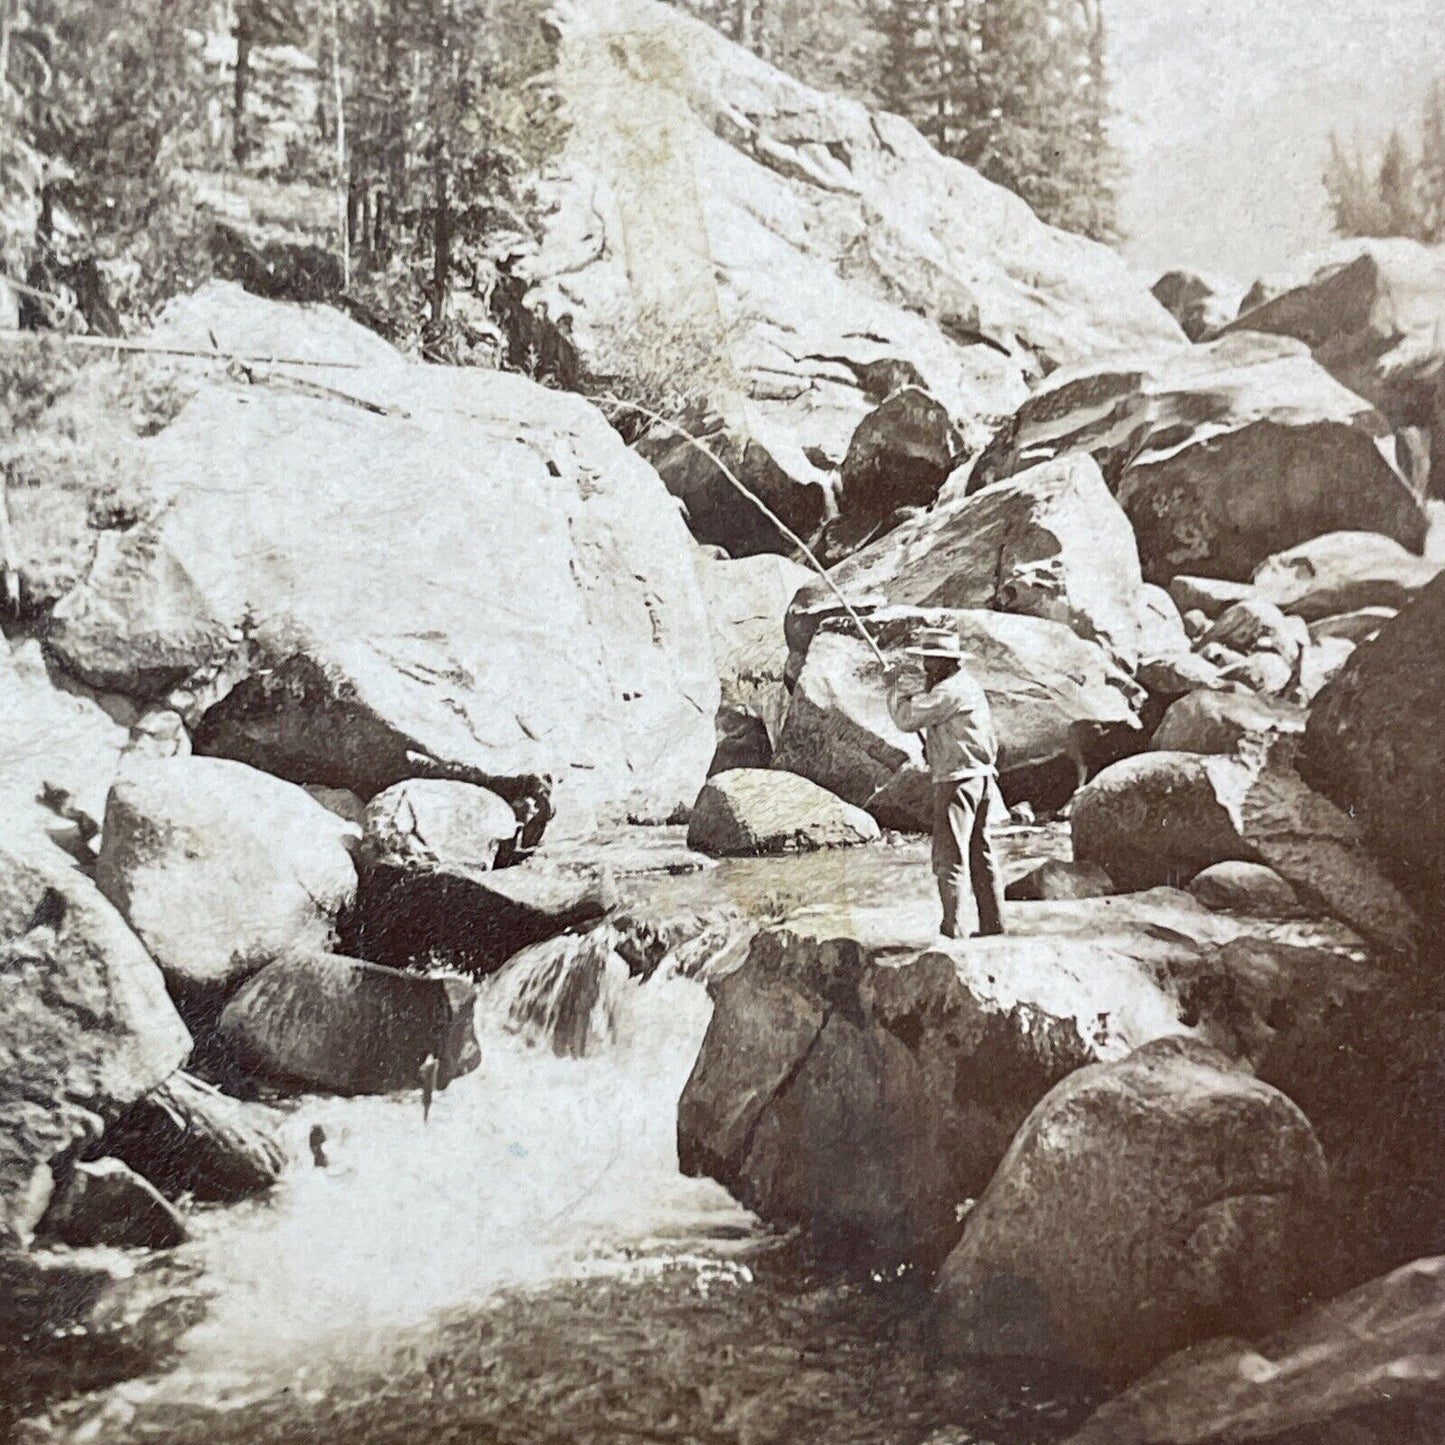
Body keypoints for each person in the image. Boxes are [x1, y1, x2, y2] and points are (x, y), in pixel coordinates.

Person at [885, 627, 1005, 940]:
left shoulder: (948, 691)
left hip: (957, 780)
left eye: (931, 661)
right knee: (980, 852)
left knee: (948, 855)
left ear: (947, 663)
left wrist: (895, 689)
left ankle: (952, 927)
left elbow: (906, 719)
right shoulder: (966, 685)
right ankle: (993, 925)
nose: (926, 667)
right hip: (981, 778)